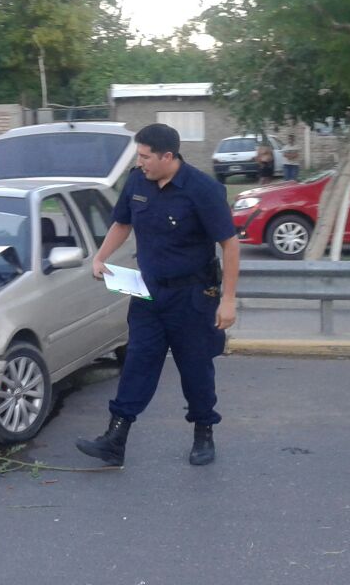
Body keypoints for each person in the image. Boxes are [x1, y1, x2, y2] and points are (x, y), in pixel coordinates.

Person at [75, 123, 240, 467]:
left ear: (168, 156)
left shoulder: (203, 189)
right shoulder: (137, 181)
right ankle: (114, 440)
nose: (141, 162)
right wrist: (101, 256)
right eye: (140, 155)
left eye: (146, 156)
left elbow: (229, 243)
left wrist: (228, 299)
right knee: (137, 363)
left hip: (193, 297)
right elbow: (123, 222)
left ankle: (203, 433)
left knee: (195, 368)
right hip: (148, 295)